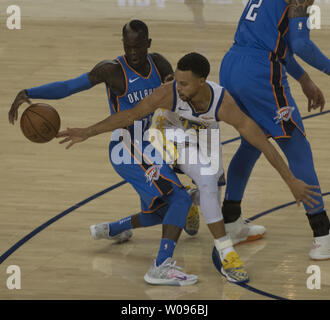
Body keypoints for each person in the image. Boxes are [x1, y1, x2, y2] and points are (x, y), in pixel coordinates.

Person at [56, 52, 321, 284]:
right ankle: (227, 253)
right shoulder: (168, 92)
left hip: (202, 137)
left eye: (184, 83)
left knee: (209, 190)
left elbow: (264, 144)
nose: (177, 86)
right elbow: (129, 115)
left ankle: (145, 217)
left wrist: (291, 181)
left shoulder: (224, 103)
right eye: (176, 80)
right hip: (166, 134)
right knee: (195, 188)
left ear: (202, 82)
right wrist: (87, 132)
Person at [8, 20, 201, 286]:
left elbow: (177, 96)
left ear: (148, 43)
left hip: (155, 144)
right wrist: (29, 92)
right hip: (127, 147)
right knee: (179, 199)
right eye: (127, 46)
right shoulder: (111, 71)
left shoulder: (160, 64)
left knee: (161, 211)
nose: (132, 52)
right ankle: (160, 266)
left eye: (138, 47)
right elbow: (69, 86)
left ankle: (112, 229)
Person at [219, 0, 330, 260]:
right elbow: (300, 44)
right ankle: (323, 235)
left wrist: (304, 79)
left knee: (250, 143)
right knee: (297, 148)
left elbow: (276, 43)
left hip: (232, 65)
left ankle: (232, 222)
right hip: (260, 74)